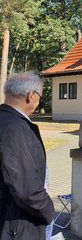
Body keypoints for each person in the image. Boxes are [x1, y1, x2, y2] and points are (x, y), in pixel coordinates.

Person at [0, 73, 55, 240]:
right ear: (31, 95)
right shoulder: (16, 128)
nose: (39, 103)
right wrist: (48, 211)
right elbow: (26, 187)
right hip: (17, 224)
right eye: (40, 97)